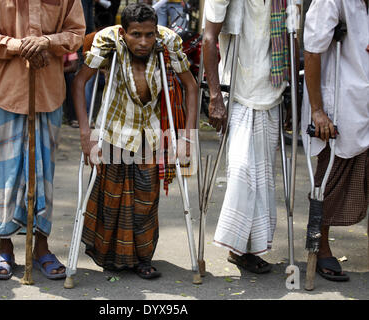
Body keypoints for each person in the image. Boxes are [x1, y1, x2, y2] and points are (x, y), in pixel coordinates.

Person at [71, 3, 197, 279]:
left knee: (145, 202)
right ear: (124, 32)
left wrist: (186, 136)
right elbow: (80, 82)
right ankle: (112, 256)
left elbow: (191, 86)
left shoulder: (168, 42)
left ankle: (142, 258)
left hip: (151, 134)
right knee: (111, 199)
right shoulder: (108, 41)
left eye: (149, 35)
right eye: (136, 35)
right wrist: (85, 133)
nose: (143, 42)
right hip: (115, 132)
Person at [0, 0, 85, 280]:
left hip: (48, 92)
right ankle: (5, 247)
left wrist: (45, 42)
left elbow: (76, 34)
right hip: (5, 90)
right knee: (5, 173)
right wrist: (19, 46)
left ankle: (41, 247)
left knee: (43, 172)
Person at [203, 0, 299, 273]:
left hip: (272, 89)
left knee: (263, 176)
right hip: (237, 91)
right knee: (242, 170)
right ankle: (239, 246)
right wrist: (213, 97)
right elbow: (209, 39)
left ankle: (247, 249)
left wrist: (291, 94)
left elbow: (292, 40)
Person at [301, 0, 368, 282]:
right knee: (330, 179)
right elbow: (313, 51)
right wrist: (317, 110)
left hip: (364, 97)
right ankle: (319, 245)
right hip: (340, 101)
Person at [64, 52, 80, 128]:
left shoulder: (69, 47)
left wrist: (59, 70)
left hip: (63, 72)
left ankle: (73, 117)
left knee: (71, 79)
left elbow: (74, 67)